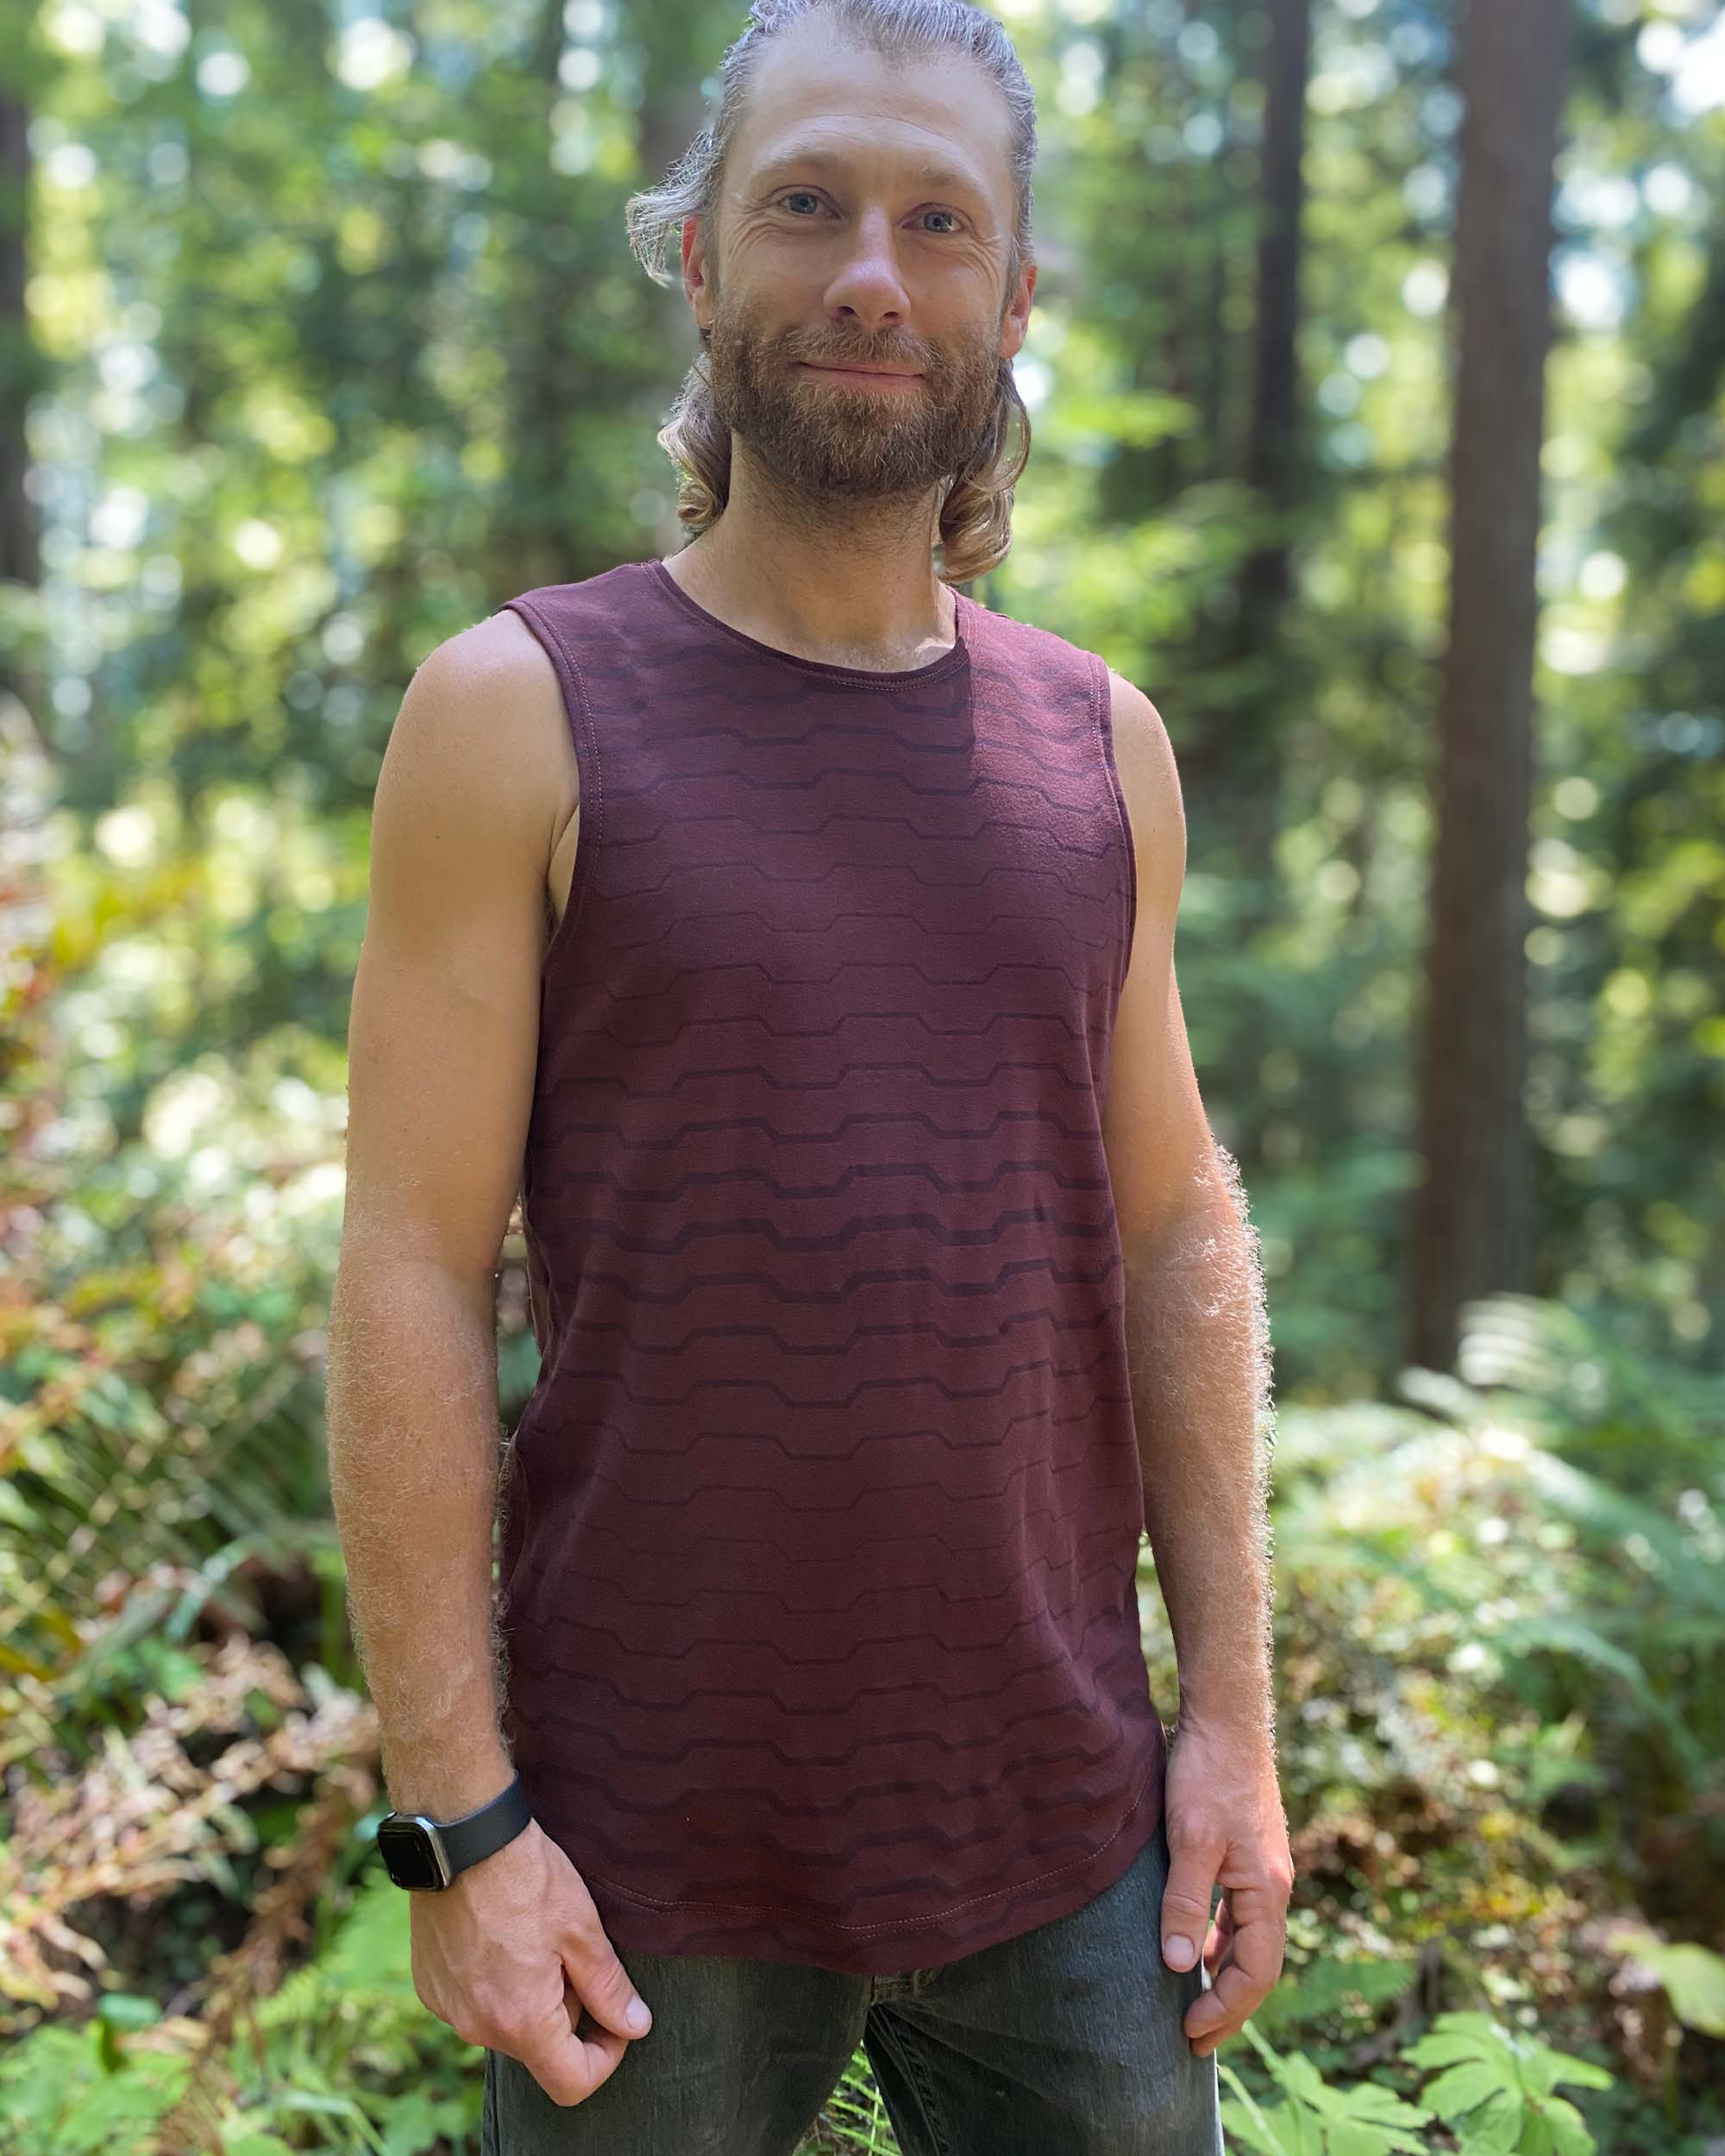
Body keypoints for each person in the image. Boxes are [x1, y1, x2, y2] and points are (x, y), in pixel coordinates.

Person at [326, 1, 1292, 2148]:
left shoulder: (1100, 746)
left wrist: (1228, 1717)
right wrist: (456, 1825)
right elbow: (408, 1262)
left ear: (1014, 296)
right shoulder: (520, 710)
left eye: (939, 220)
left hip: (1069, 1834)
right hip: (641, 1849)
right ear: (697, 259)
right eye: (807, 204)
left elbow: (1169, 1221)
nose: (873, 269)